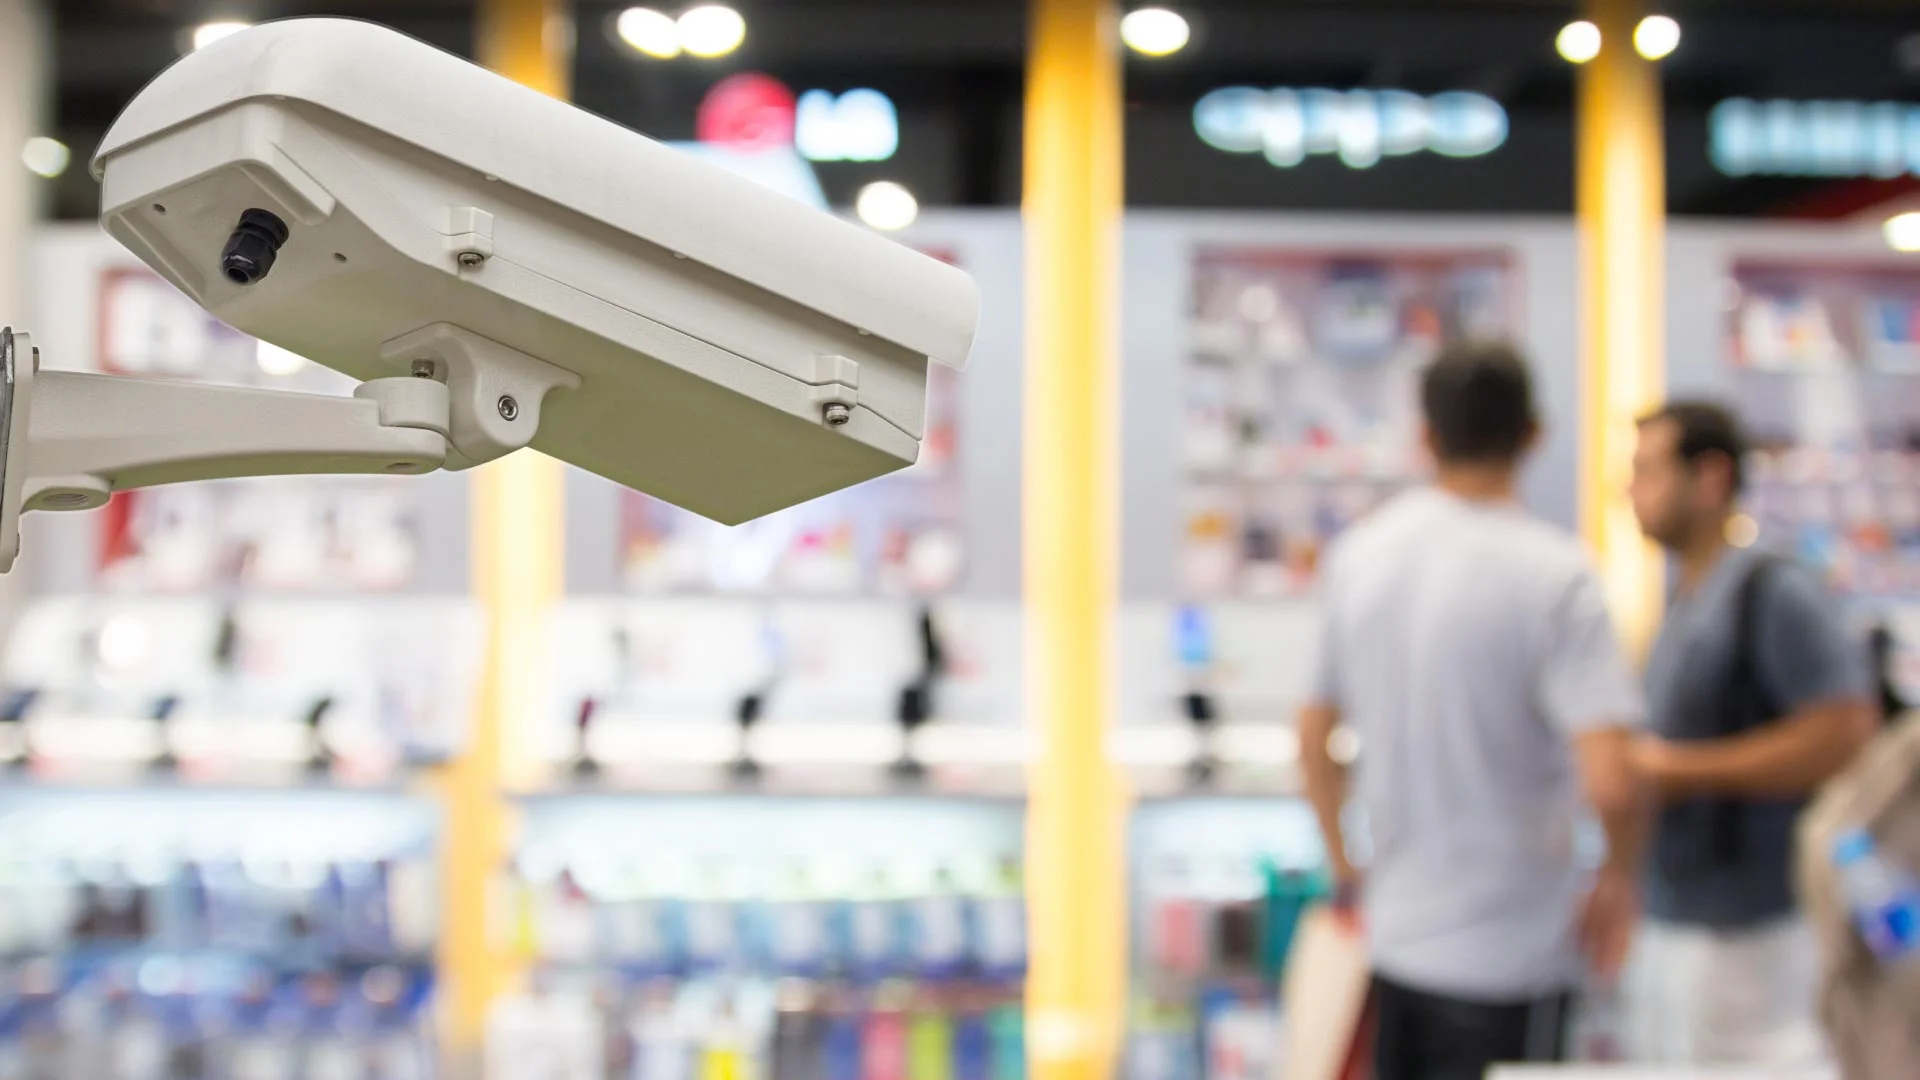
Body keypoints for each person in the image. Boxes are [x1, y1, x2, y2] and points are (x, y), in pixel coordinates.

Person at [1300, 340, 1649, 1080]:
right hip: (1517, 953)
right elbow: (1613, 781)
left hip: (1394, 938)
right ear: (1534, 434)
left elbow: (1311, 738)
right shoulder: (1559, 575)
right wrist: (1616, 878)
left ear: (1424, 435)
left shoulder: (1360, 556)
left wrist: (1346, 869)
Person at [1624, 400, 1879, 1065]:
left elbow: (1846, 732)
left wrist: (1680, 771)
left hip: (1754, 930)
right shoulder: (1686, 592)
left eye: (1649, 471)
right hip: (1679, 915)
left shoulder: (1772, 590)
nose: (1631, 491)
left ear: (1709, 479)